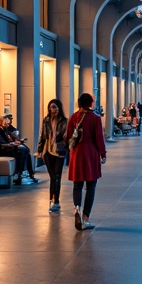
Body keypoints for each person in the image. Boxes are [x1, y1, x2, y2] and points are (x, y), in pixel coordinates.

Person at [66, 93, 106, 231]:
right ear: (90, 103)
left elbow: (68, 136)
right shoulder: (95, 118)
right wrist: (103, 154)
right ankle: (86, 218)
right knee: (91, 186)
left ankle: (77, 208)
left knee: (77, 185)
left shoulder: (73, 117)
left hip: (76, 154)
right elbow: (99, 137)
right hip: (90, 154)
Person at [0, 113, 38, 184]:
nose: (8, 125)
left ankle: (28, 173)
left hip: (9, 147)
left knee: (26, 151)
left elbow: (14, 130)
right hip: (3, 150)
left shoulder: (4, 128)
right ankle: (19, 174)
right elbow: (1, 143)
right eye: (7, 123)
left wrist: (15, 139)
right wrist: (13, 143)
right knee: (21, 151)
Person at [37, 98, 68, 212]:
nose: (53, 109)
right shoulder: (46, 120)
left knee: (57, 177)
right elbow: (42, 136)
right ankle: (52, 200)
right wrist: (39, 150)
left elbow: (66, 137)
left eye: (55, 107)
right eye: (51, 107)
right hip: (47, 152)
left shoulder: (64, 121)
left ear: (59, 108)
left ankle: (56, 201)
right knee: (52, 177)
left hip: (59, 151)